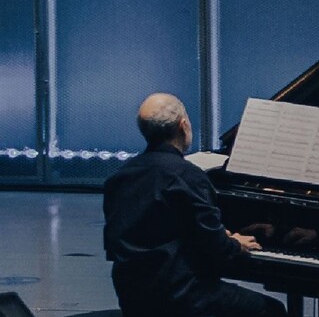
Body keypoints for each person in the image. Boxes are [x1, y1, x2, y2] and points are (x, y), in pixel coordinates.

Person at [103, 93, 288, 317]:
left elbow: (135, 237)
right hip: (182, 296)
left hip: (133, 298)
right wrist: (233, 243)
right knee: (272, 310)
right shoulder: (188, 176)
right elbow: (217, 249)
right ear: (183, 125)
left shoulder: (120, 177)